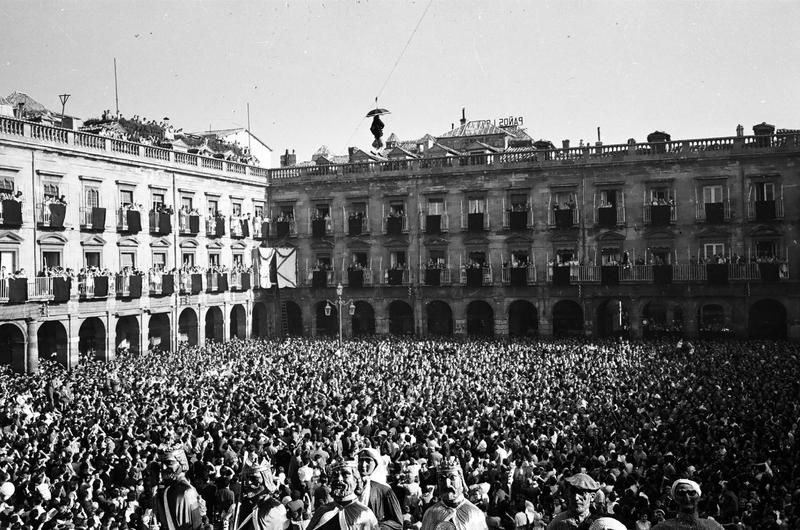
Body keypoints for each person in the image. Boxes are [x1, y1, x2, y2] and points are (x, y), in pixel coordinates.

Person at [306, 459, 377, 530]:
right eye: (335, 475)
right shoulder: (322, 510)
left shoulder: (365, 515)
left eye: (345, 474)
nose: (339, 479)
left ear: (356, 480)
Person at [421, 457, 487, 530]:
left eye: (452, 478)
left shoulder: (475, 513)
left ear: (461, 480)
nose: (447, 484)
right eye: (441, 479)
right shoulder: (430, 514)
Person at [153, 445, 205, 530]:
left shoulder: (185, 492)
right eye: (162, 463)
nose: (163, 467)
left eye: (169, 463)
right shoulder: (171, 489)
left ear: (181, 463)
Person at [231, 455, 287, 530]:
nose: (248, 483)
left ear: (266, 480)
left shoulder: (276, 510)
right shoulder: (238, 507)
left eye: (254, 478)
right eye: (246, 478)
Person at [357, 448, 403, 530]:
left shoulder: (384, 490)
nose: (363, 465)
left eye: (368, 461)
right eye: (361, 460)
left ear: (376, 464)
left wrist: (376, 527)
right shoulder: (354, 486)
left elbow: (397, 523)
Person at [651, 479, 723, 530]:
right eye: (681, 493)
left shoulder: (713, 526)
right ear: (675, 498)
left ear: (698, 497)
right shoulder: (662, 527)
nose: (687, 498)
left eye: (692, 493)